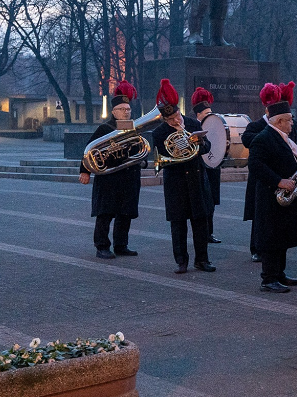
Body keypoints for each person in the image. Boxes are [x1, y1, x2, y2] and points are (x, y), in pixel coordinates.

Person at [247, 93, 297, 292]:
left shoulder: (283, 137)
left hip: (284, 195)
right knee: (271, 238)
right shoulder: (263, 138)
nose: (292, 123)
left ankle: (279, 273)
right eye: (290, 120)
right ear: (280, 121)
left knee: (281, 237)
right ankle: (268, 279)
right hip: (271, 196)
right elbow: (255, 165)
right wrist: (279, 181)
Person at [151, 79, 215, 275]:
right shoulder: (160, 132)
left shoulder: (194, 123)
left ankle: (202, 260)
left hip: (196, 179)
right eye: (171, 120)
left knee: (200, 222)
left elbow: (207, 147)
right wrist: (183, 144)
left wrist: (195, 141)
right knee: (178, 224)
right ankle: (181, 261)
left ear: (180, 111)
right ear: (164, 119)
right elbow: (165, 153)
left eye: (177, 116)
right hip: (176, 182)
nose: (176, 121)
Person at [80, 80, 141, 260]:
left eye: (128, 110)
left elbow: (140, 150)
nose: (126, 112)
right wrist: (85, 171)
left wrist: (141, 160)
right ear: (114, 112)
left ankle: (121, 245)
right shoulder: (104, 129)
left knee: (125, 213)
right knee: (105, 213)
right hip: (109, 178)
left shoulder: (133, 129)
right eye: (122, 109)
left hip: (129, 177)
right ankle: (102, 246)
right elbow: (89, 150)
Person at [242, 83, 282, 263]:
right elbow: (246, 139)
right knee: (258, 215)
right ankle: (255, 248)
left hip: (281, 174)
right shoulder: (255, 126)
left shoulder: (286, 124)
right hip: (261, 177)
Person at [191, 87, 222, 244]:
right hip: (200, 168)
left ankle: (209, 232)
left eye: (210, 113)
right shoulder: (193, 126)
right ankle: (203, 233)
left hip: (213, 167)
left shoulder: (214, 126)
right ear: (198, 115)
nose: (209, 116)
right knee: (203, 202)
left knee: (212, 202)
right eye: (206, 114)